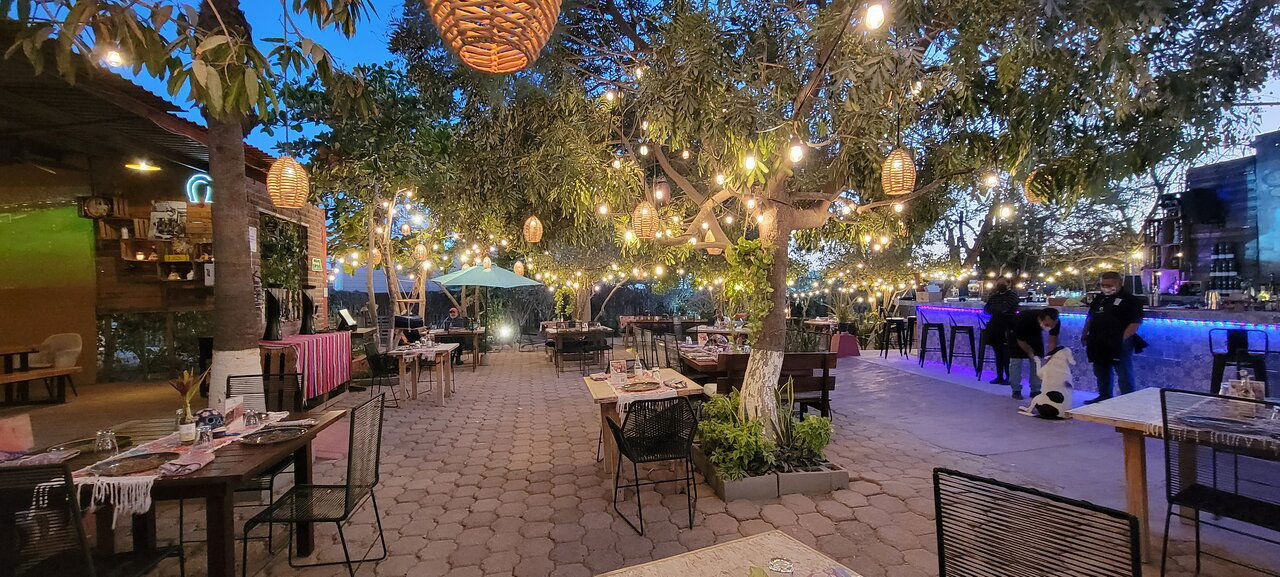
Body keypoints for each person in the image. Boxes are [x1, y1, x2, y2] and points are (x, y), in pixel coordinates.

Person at [1082, 271, 1143, 404]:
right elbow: (1090, 317)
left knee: (1124, 372)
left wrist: (1122, 339)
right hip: (1098, 340)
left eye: (1109, 285)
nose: (1105, 287)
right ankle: (1104, 396)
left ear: (1119, 283)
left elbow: (1135, 323)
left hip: (1119, 341)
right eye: (1103, 284)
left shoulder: (1130, 300)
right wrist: (1085, 333)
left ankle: (1128, 401)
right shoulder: (1100, 298)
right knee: (1101, 370)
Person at [1007, 308, 1061, 399]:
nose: (1049, 327)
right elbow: (1021, 340)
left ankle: (1035, 390)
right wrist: (1030, 352)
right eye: (1047, 325)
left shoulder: (1055, 322)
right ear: (1040, 319)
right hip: (1015, 334)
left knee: (1037, 361)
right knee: (1016, 361)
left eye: (1052, 325)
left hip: (1035, 335)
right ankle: (1016, 389)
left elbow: (1052, 341)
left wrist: (1049, 356)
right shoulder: (1024, 319)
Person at [983, 279, 1021, 385]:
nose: (1000, 285)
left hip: (1008, 327)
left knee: (1006, 353)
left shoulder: (1012, 295)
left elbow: (1004, 308)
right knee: (998, 352)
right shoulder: (994, 296)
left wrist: (996, 309)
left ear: (1008, 284)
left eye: (1003, 283)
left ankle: (1009, 377)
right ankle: (999, 376)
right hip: (995, 327)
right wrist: (998, 309)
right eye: (999, 283)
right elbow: (986, 309)